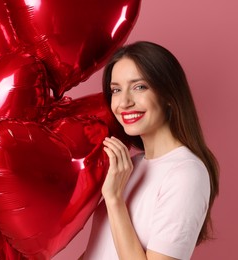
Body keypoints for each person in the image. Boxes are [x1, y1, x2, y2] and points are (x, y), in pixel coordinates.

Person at [80, 41, 219, 260]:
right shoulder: (129, 166)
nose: (124, 102)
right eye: (116, 90)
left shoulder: (186, 174)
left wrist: (115, 200)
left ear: (168, 95)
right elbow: (100, 252)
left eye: (139, 87)